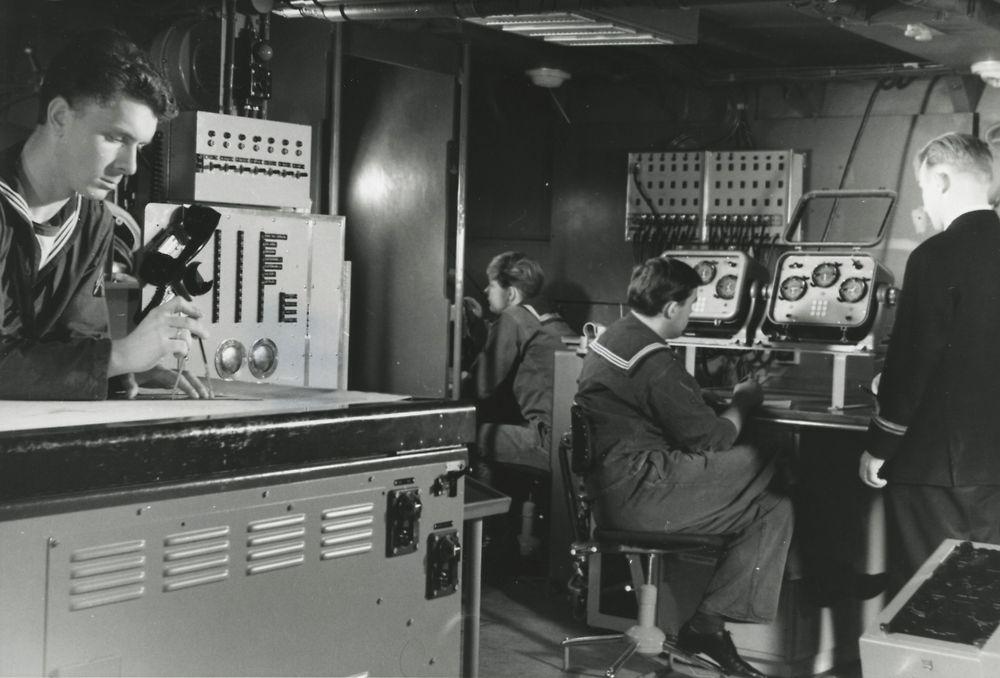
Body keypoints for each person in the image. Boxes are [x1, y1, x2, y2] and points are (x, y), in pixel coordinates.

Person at [575, 257, 792, 678]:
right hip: (642, 492)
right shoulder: (654, 359)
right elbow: (713, 438)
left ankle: (707, 627)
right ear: (672, 307)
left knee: (774, 507)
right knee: (774, 452)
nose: (691, 313)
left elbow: (657, 407)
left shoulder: (616, 336)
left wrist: (702, 400)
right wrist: (743, 401)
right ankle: (827, 576)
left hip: (614, 491)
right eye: (691, 305)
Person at [0, 28, 210, 400]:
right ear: (60, 117)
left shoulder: (94, 220)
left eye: (139, 146)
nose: (130, 166)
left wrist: (121, 369)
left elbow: (75, 340)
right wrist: (118, 356)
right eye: (115, 138)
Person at [860, 132, 1000, 592]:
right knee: (985, 599)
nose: (926, 203)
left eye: (923, 188)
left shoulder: (934, 256)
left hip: (938, 469)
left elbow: (912, 364)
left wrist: (880, 446)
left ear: (940, 180)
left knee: (929, 598)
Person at [468, 251, 576, 475]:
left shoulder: (513, 317)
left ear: (511, 293)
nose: (486, 291)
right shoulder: (548, 317)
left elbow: (482, 387)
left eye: (492, 285)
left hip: (548, 442)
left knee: (466, 436)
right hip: (570, 439)